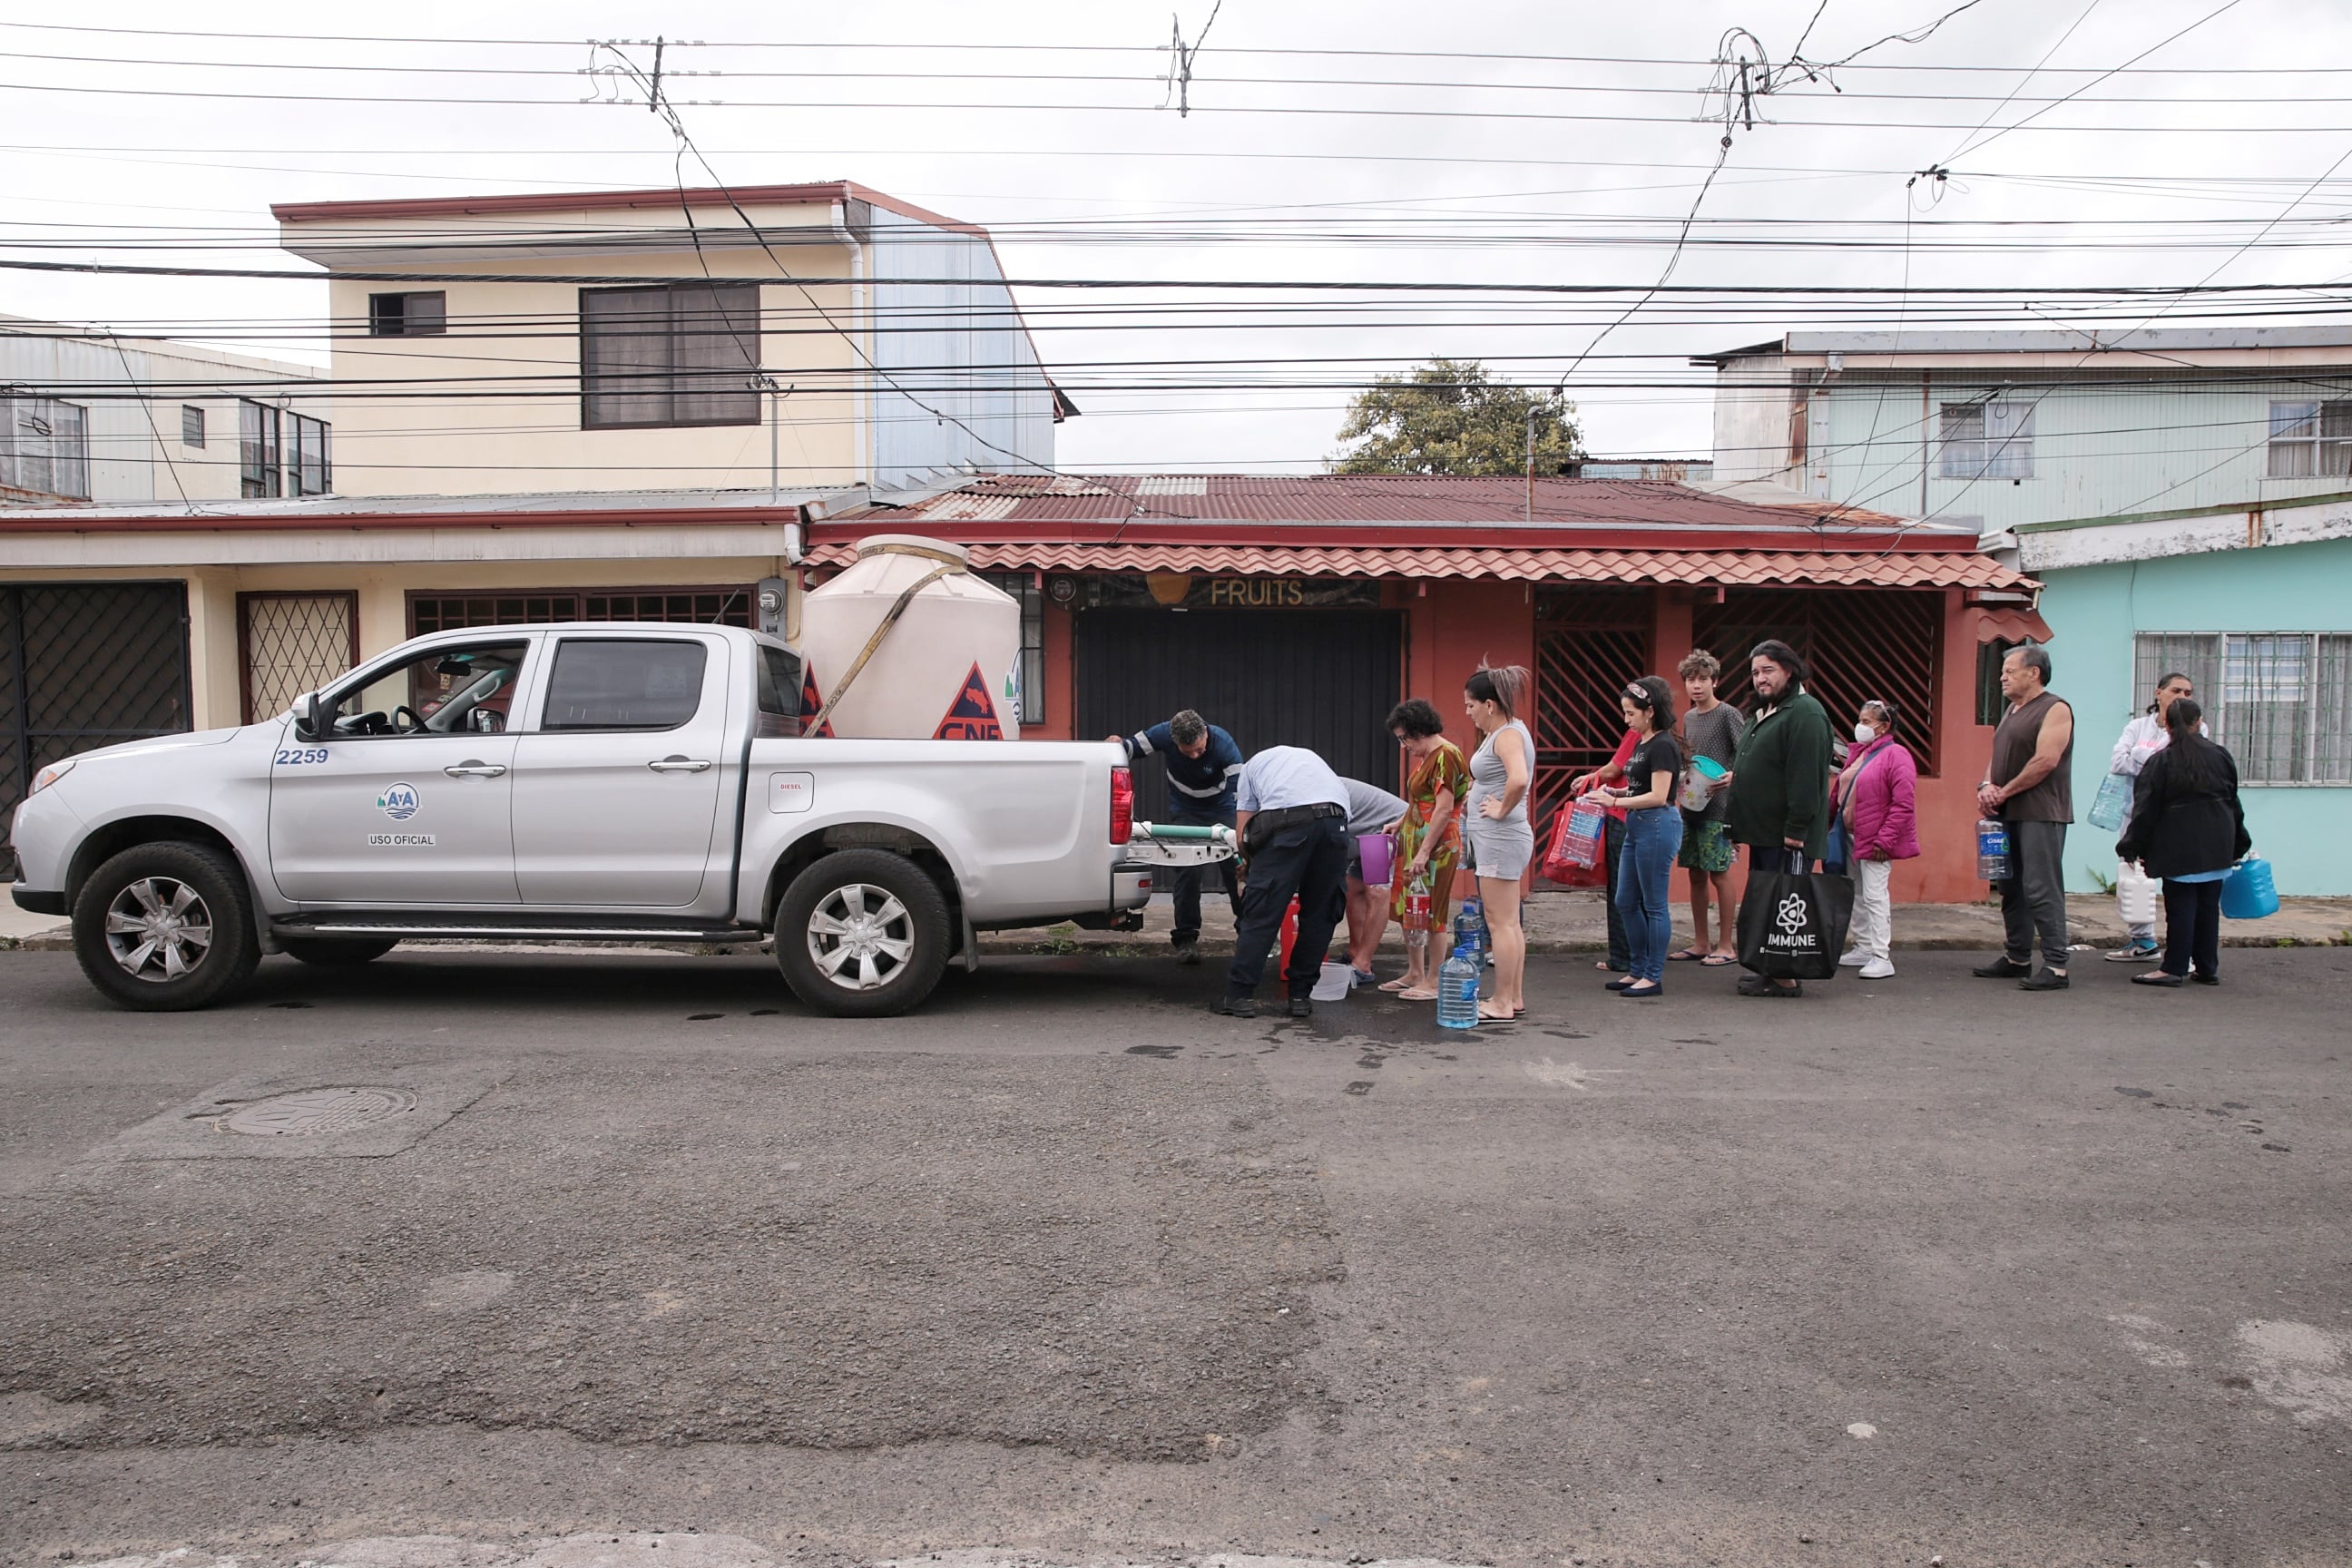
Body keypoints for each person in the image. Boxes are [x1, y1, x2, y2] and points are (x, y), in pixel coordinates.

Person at [1724, 639, 1834, 998]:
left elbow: (1806, 778)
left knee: (1788, 902)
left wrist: (1796, 829)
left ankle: (1786, 977)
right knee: (1768, 902)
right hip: (1764, 832)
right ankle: (1770, 969)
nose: (1760, 679)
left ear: (1789, 670)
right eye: (1755, 673)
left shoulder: (1806, 713)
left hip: (1788, 835)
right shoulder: (1766, 712)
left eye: (1768, 670)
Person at [2115, 698, 2249, 989]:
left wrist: (2131, 845)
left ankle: (2173, 968)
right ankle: (2207, 967)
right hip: (2218, 842)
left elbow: (2145, 810)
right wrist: (2240, 841)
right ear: (2198, 721)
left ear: (2167, 725)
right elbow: (2233, 802)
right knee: (2207, 908)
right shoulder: (2220, 755)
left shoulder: (2161, 761)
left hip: (2180, 845)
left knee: (2181, 907)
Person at [1211, 745, 1351, 1020]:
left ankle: (1239, 997)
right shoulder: (1315, 762)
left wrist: (1251, 867)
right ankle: (1300, 997)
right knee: (1322, 913)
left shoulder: (1249, 769)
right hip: (1336, 824)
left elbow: (1243, 834)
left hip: (1288, 823)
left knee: (1262, 910)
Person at [1973, 643, 2077, 992]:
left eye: (2010, 670)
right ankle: (2017, 956)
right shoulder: (2012, 710)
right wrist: (1987, 785)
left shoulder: (2055, 708)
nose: (2003, 676)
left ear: (2034, 673)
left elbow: (2046, 761)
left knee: (2040, 886)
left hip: (2040, 812)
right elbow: (1998, 756)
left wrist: (2004, 791)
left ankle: (2056, 965)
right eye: (2002, 671)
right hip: (2006, 812)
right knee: (2010, 885)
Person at [1111, 709, 1244, 965]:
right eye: (1187, 751)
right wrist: (1115, 746)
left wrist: (1241, 834)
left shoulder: (1225, 745)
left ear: (1205, 733)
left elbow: (1242, 792)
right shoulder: (1162, 733)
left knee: (1236, 867)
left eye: (1198, 749)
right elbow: (1130, 748)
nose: (1194, 755)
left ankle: (1248, 931)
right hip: (1186, 810)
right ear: (1174, 742)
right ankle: (1185, 939)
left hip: (1224, 808)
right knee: (1187, 871)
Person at [1583, 676, 1682, 999]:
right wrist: (1616, 790)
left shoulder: (1664, 744)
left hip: (1656, 824)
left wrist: (1615, 801)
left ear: (1649, 710)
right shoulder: (1642, 742)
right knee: (1625, 899)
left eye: (1630, 713)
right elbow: (1639, 787)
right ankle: (1637, 969)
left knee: (1654, 904)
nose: (1627, 720)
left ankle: (1653, 975)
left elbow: (1658, 795)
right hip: (1637, 824)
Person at [2101, 671, 2200, 965]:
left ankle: (2185, 949)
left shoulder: (2197, 728)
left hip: (2174, 818)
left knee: (2178, 883)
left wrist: (2142, 754)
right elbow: (2118, 762)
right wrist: (2154, 755)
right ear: (2159, 693)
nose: (2182, 697)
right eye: (2176, 691)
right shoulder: (2137, 726)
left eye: (2188, 693)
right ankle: (2143, 941)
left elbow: (2182, 766)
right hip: (2136, 814)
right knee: (2133, 879)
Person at [1382, 699, 1469, 1000]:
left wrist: (1423, 852)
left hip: (1437, 847)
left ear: (1418, 731)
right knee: (1411, 906)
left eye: (1404, 738)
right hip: (1415, 840)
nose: (1403, 745)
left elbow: (1443, 810)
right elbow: (1421, 803)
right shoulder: (1428, 756)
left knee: (1433, 910)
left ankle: (1434, 979)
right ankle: (1415, 972)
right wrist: (1399, 822)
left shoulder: (1447, 756)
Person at [1463, 663, 1535, 1022]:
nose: (1468, 713)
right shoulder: (1509, 731)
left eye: (1471, 706)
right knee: (1508, 922)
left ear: (1489, 704)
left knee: (1501, 922)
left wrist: (1500, 808)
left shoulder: (1506, 734)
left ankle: (1502, 1001)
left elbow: (1519, 778)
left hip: (1501, 837)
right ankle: (1513, 997)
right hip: (1499, 838)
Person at [1834, 699, 1920, 981]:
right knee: (1857, 893)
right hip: (1850, 835)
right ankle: (1863, 945)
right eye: (1860, 720)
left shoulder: (1897, 755)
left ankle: (1881, 956)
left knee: (1874, 895)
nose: (1861, 726)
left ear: (1884, 727)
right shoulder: (1859, 753)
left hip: (1875, 839)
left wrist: (1885, 840)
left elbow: (1903, 803)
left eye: (1867, 722)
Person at [1667, 649, 1743, 967]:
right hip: (1691, 805)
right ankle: (1701, 942)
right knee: (1696, 874)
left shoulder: (1728, 714)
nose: (1696, 685)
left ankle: (1726, 944)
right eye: (1690, 680)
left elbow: (1745, 754)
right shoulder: (1688, 717)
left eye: (1702, 679)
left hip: (1720, 807)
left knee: (1720, 873)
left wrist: (1731, 776)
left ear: (1715, 681)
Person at [1568, 728, 1637, 975]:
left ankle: (1623, 956)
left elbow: (1613, 769)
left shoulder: (1637, 735)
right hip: (1642, 819)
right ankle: (1642, 955)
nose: (1628, 719)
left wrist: (1590, 778)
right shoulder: (1663, 739)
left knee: (1620, 889)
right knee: (1642, 893)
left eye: (1631, 712)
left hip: (1622, 815)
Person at [1338, 775, 1410, 984]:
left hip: (1388, 829)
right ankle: (1355, 952)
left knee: (1376, 891)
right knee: (1353, 888)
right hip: (1365, 835)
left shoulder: (1320, 788)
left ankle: (1363, 965)